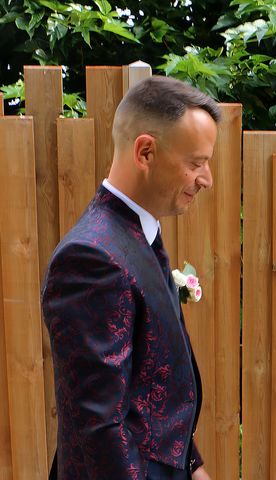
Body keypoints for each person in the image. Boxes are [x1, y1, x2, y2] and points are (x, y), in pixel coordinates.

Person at [41, 76, 219, 480]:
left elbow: (150, 389)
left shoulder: (138, 236)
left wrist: (192, 465)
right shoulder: (91, 258)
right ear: (145, 152)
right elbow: (100, 425)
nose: (207, 178)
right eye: (196, 163)